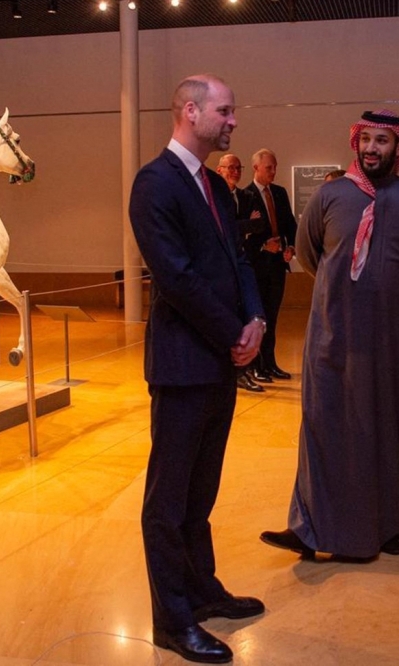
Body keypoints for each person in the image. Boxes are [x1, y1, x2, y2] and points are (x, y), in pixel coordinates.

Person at [260, 110, 399, 560]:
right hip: (333, 335)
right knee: (325, 424)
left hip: (392, 339)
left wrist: (385, 294)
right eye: (367, 140)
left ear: (398, 147)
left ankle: (386, 528)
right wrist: (343, 292)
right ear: (355, 143)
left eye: (383, 141)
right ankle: (309, 527)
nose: (373, 149)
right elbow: (308, 254)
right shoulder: (330, 196)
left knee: (388, 425)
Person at [129, 73, 266, 664]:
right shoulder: (153, 184)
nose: (233, 121)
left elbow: (237, 261)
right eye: (225, 111)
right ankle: (172, 618)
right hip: (185, 364)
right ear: (190, 110)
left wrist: (257, 318)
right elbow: (177, 277)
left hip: (219, 361)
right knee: (168, 499)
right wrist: (233, 331)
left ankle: (202, 590)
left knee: (201, 492)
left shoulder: (214, 183)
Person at [243, 148, 297, 382]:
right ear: (256, 168)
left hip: (276, 266)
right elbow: (243, 234)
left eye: (274, 167)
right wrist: (264, 245)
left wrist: (290, 247)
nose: (273, 171)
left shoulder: (280, 193)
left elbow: (290, 225)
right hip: (257, 266)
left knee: (272, 317)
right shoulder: (246, 196)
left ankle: (270, 363)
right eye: (269, 168)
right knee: (258, 317)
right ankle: (255, 365)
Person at [217, 153, 267, 393]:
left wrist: (240, 227)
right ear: (219, 170)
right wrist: (245, 225)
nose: (235, 172)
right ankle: (236, 372)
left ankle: (246, 370)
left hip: (245, 263)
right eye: (230, 168)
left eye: (238, 167)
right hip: (224, 269)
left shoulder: (245, 196)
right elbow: (225, 229)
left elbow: (260, 224)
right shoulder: (215, 197)